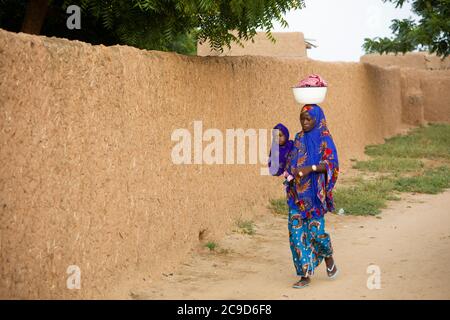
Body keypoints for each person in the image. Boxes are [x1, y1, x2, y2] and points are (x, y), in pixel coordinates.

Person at [284, 103, 340, 289]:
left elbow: (332, 164)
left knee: (316, 233)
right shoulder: (298, 137)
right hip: (297, 195)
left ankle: (328, 255)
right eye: (302, 119)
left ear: (317, 119)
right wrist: (288, 171)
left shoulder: (325, 138)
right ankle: (304, 275)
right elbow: (291, 160)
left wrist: (310, 169)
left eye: (309, 119)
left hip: (315, 195)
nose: (305, 122)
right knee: (296, 235)